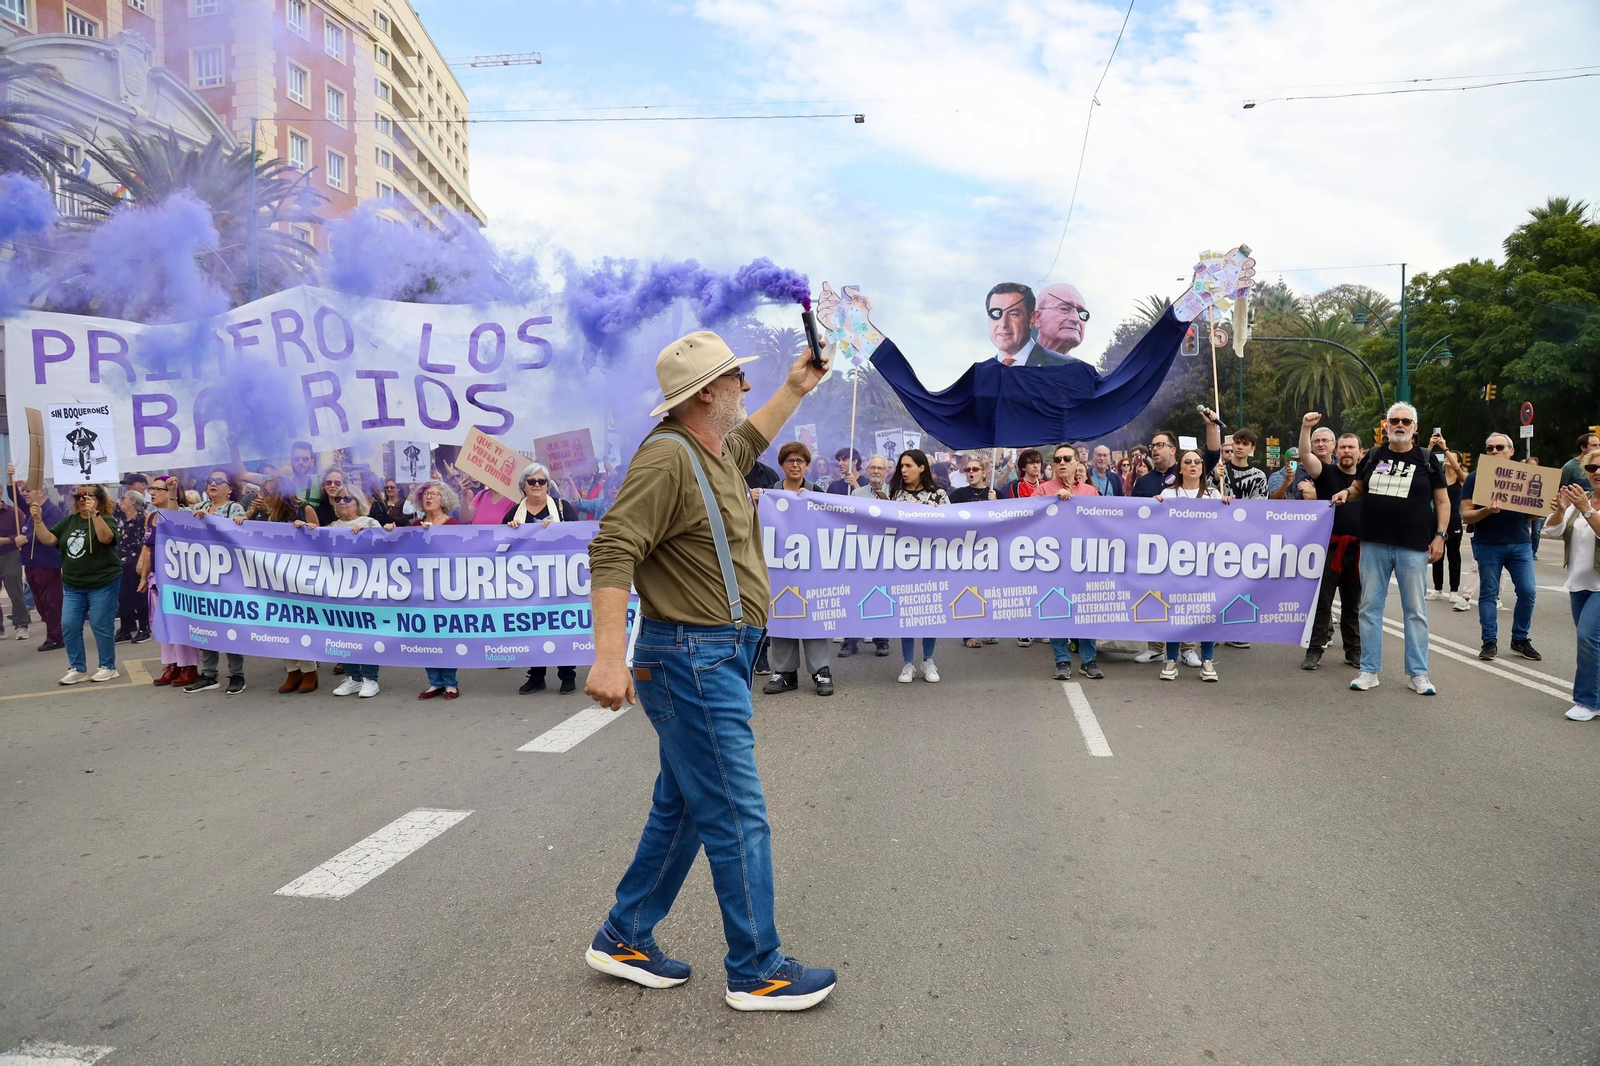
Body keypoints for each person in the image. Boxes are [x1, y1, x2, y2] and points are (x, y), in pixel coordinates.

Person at [584, 328, 837, 1011]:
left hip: (710, 656)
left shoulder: (715, 450)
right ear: (705, 394)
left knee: (688, 808)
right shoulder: (667, 459)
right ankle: (758, 970)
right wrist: (608, 658)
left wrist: (796, 387)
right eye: (736, 380)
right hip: (690, 657)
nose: (744, 388)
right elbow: (612, 550)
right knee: (736, 813)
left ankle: (625, 935)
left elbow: (752, 437)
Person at [1332, 402, 1449, 695]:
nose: (1399, 425)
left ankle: (1418, 673)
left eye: (1405, 421)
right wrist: (1347, 493)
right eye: (1394, 420)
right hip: (1373, 543)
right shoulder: (1373, 456)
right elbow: (1359, 488)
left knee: (1415, 611)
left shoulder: (1426, 459)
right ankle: (1369, 670)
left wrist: (1440, 536)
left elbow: (1444, 501)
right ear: (1386, 426)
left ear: (1415, 428)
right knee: (1369, 608)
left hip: (1413, 546)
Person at [760, 442, 834, 697]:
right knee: (781, 616)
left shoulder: (817, 492)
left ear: (807, 465)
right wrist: (752, 498)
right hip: (778, 568)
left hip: (810, 567)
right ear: (782, 464)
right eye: (790, 461)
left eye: (799, 461)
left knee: (813, 619)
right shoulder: (769, 493)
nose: (795, 465)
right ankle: (784, 672)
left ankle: (821, 671)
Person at [30, 483, 121, 685]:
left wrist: (95, 515)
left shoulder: (106, 519)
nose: (81, 500)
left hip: (102, 582)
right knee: (69, 625)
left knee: (100, 624)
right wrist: (38, 520)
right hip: (73, 585)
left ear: (99, 500)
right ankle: (77, 668)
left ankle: (108, 666)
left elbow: (106, 539)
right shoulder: (69, 521)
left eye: (87, 496)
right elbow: (48, 539)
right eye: (78, 496)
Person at [1461, 432, 1540, 662]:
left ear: (1511, 451)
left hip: (1520, 544)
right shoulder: (1475, 478)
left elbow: (1532, 514)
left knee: (1528, 592)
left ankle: (1520, 638)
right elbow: (1466, 515)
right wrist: (1486, 510)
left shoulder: (1525, 477)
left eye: (1499, 447)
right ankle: (1489, 641)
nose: (1494, 451)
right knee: (1488, 594)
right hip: (1488, 544)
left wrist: (1547, 507)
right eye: (1490, 448)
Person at [504, 462, 581, 696]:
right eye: (532, 481)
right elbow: (498, 544)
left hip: (559, 580)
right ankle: (536, 676)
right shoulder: (514, 511)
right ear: (523, 486)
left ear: (548, 486)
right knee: (534, 628)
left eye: (542, 481)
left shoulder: (562, 507)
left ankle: (567, 675)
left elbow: (579, 538)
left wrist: (558, 529)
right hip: (528, 583)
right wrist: (509, 528)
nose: (537, 485)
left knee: (560, 627)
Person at [1297, 415, 1364, 671]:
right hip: (1329, 548)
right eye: (1343, 447)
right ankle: (1315, 650)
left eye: (1351, 447)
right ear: (1336, 452)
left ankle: (1353, 650)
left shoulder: (1368, 479)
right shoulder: (1326, 473)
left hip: (1358, 550)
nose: (1347, 451)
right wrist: (1306, 428)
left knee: (1352, 604)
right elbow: (1305, 454)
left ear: (1360, 452)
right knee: (1323, 602)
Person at [243, 476, 321, 694]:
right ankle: (292, 670)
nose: (263, 496)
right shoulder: (272, 514)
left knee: (300, 623)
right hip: (277, 575)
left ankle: (309, 671)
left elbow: (320, 537)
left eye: (267, 493)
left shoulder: (303, 508)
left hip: (300, 574)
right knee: (282, 623)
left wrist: (306, 528)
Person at [1542, 451, 1600, 720]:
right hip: (1579, 583)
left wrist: (1587, 510)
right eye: (1592, 467)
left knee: (1587, 637)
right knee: (1593, 642)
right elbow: (1552, 530)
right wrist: (1561, 510)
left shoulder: (1585, 505)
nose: (1596, 471)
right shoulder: (1580, 500)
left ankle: (1587, 702)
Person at [314, 487, 384, 699]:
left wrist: (369, 534)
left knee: (367, 632)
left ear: (358, 501)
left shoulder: (371, 523)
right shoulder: (333, 526)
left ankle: (370, 678)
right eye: (338, 499)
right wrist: (304, 529)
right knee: (342, 633)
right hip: (339, 589)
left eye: (347, 498)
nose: (342, 502)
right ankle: (353, 677)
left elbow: (385, 546)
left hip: (365, 587)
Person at [398, 480, 462, 700]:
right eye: (425, 494)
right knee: (426, 636)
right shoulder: (416, 525)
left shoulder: (453, 524)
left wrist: (434, 536)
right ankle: (434, 682)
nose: (428, 497)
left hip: (445, 590)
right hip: (420, 590)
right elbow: (402, 550)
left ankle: (451, 683)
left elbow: (459, 554)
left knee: (444, 635)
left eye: (433, 494)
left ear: (443, 498)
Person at [889, 448, 948, 681]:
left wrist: (939, 516)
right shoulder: (896, 494)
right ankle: (907, 663)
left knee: (929, 611)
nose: (903, 470)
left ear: (922, 468)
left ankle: (928, 661)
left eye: (908, 466)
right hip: (904, 562)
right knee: (908, 611)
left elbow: (951, 528)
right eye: (901, 466)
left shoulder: (939, 495)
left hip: (931, 561)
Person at [137, 476, 199, 687]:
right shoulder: (150, 517)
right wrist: (144, 576)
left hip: (175, 579)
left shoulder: (177, 513)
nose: (152, 492)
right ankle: (172, 664)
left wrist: (172, 491)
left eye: (157, 489)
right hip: (156, 577)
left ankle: (188, 666)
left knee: (178, 622)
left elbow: (171, 516)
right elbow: (147, 548)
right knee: (162, 624)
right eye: (151, 489)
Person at [15, 476, 66, 651]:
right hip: (32, 563)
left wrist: (26, 539)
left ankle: (56, 636)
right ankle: (54, 632)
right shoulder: (32, 511)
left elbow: (50, 535)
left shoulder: (51, 511)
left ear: (41, 492)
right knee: (41, 603)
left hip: (47, 563)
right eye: (24, 490)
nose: (25, 494)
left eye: (28, 491)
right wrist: (10, 479)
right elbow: (13, 495)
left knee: (52, 602)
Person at [985, 283, 1068, 367]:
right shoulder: (980, 374)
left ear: (1032, 319)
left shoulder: (1065, 367)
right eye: (996, 314)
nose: (1003, 324)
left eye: (1013, 314)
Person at [1428, 437, 1468, 608]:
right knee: (1437, 554)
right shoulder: (1438, 477)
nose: (1446, 459)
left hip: (1453, 521)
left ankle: (1453, 590)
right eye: (1445, 457)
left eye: (1450, 457)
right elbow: (1424, 465)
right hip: (1436, 520)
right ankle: (1437, 589)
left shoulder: (1460, 478)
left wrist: (1445, 448)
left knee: (1453, 556)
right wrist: (1430, 446)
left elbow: (1459, 469)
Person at [113, 489, 150, 644]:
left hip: (136, 563)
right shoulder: (121, 519)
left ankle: (144, 628)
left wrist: (142, 560)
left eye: (124, 498)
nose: (121, 501)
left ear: (133, 501)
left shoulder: (142, 519)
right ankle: (126, 628)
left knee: (139, 596)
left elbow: (145, 542)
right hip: (122, 562)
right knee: (123, 597)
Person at [1202, 413, 1268, 499]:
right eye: (1237, 443)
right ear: (1233, 445)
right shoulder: (1219, 469)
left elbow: (1260, 505)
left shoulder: (1259, 476)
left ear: (1252, 449)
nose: (1240, 447)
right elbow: (1204, 496)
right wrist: (1216, 480)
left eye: (1245, 444)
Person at [0, 478, 30, 641]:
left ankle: (21, 625)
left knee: (15, 590)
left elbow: (23, 532)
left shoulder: (13, 513)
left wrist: (7, 539)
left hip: (10, 553)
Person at [1033, 283, 1091, 360]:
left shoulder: (1082, 370)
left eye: (1082, 313)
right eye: (1064, 309)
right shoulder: (1015, 365)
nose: (1076, 319)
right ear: (1037, 318)